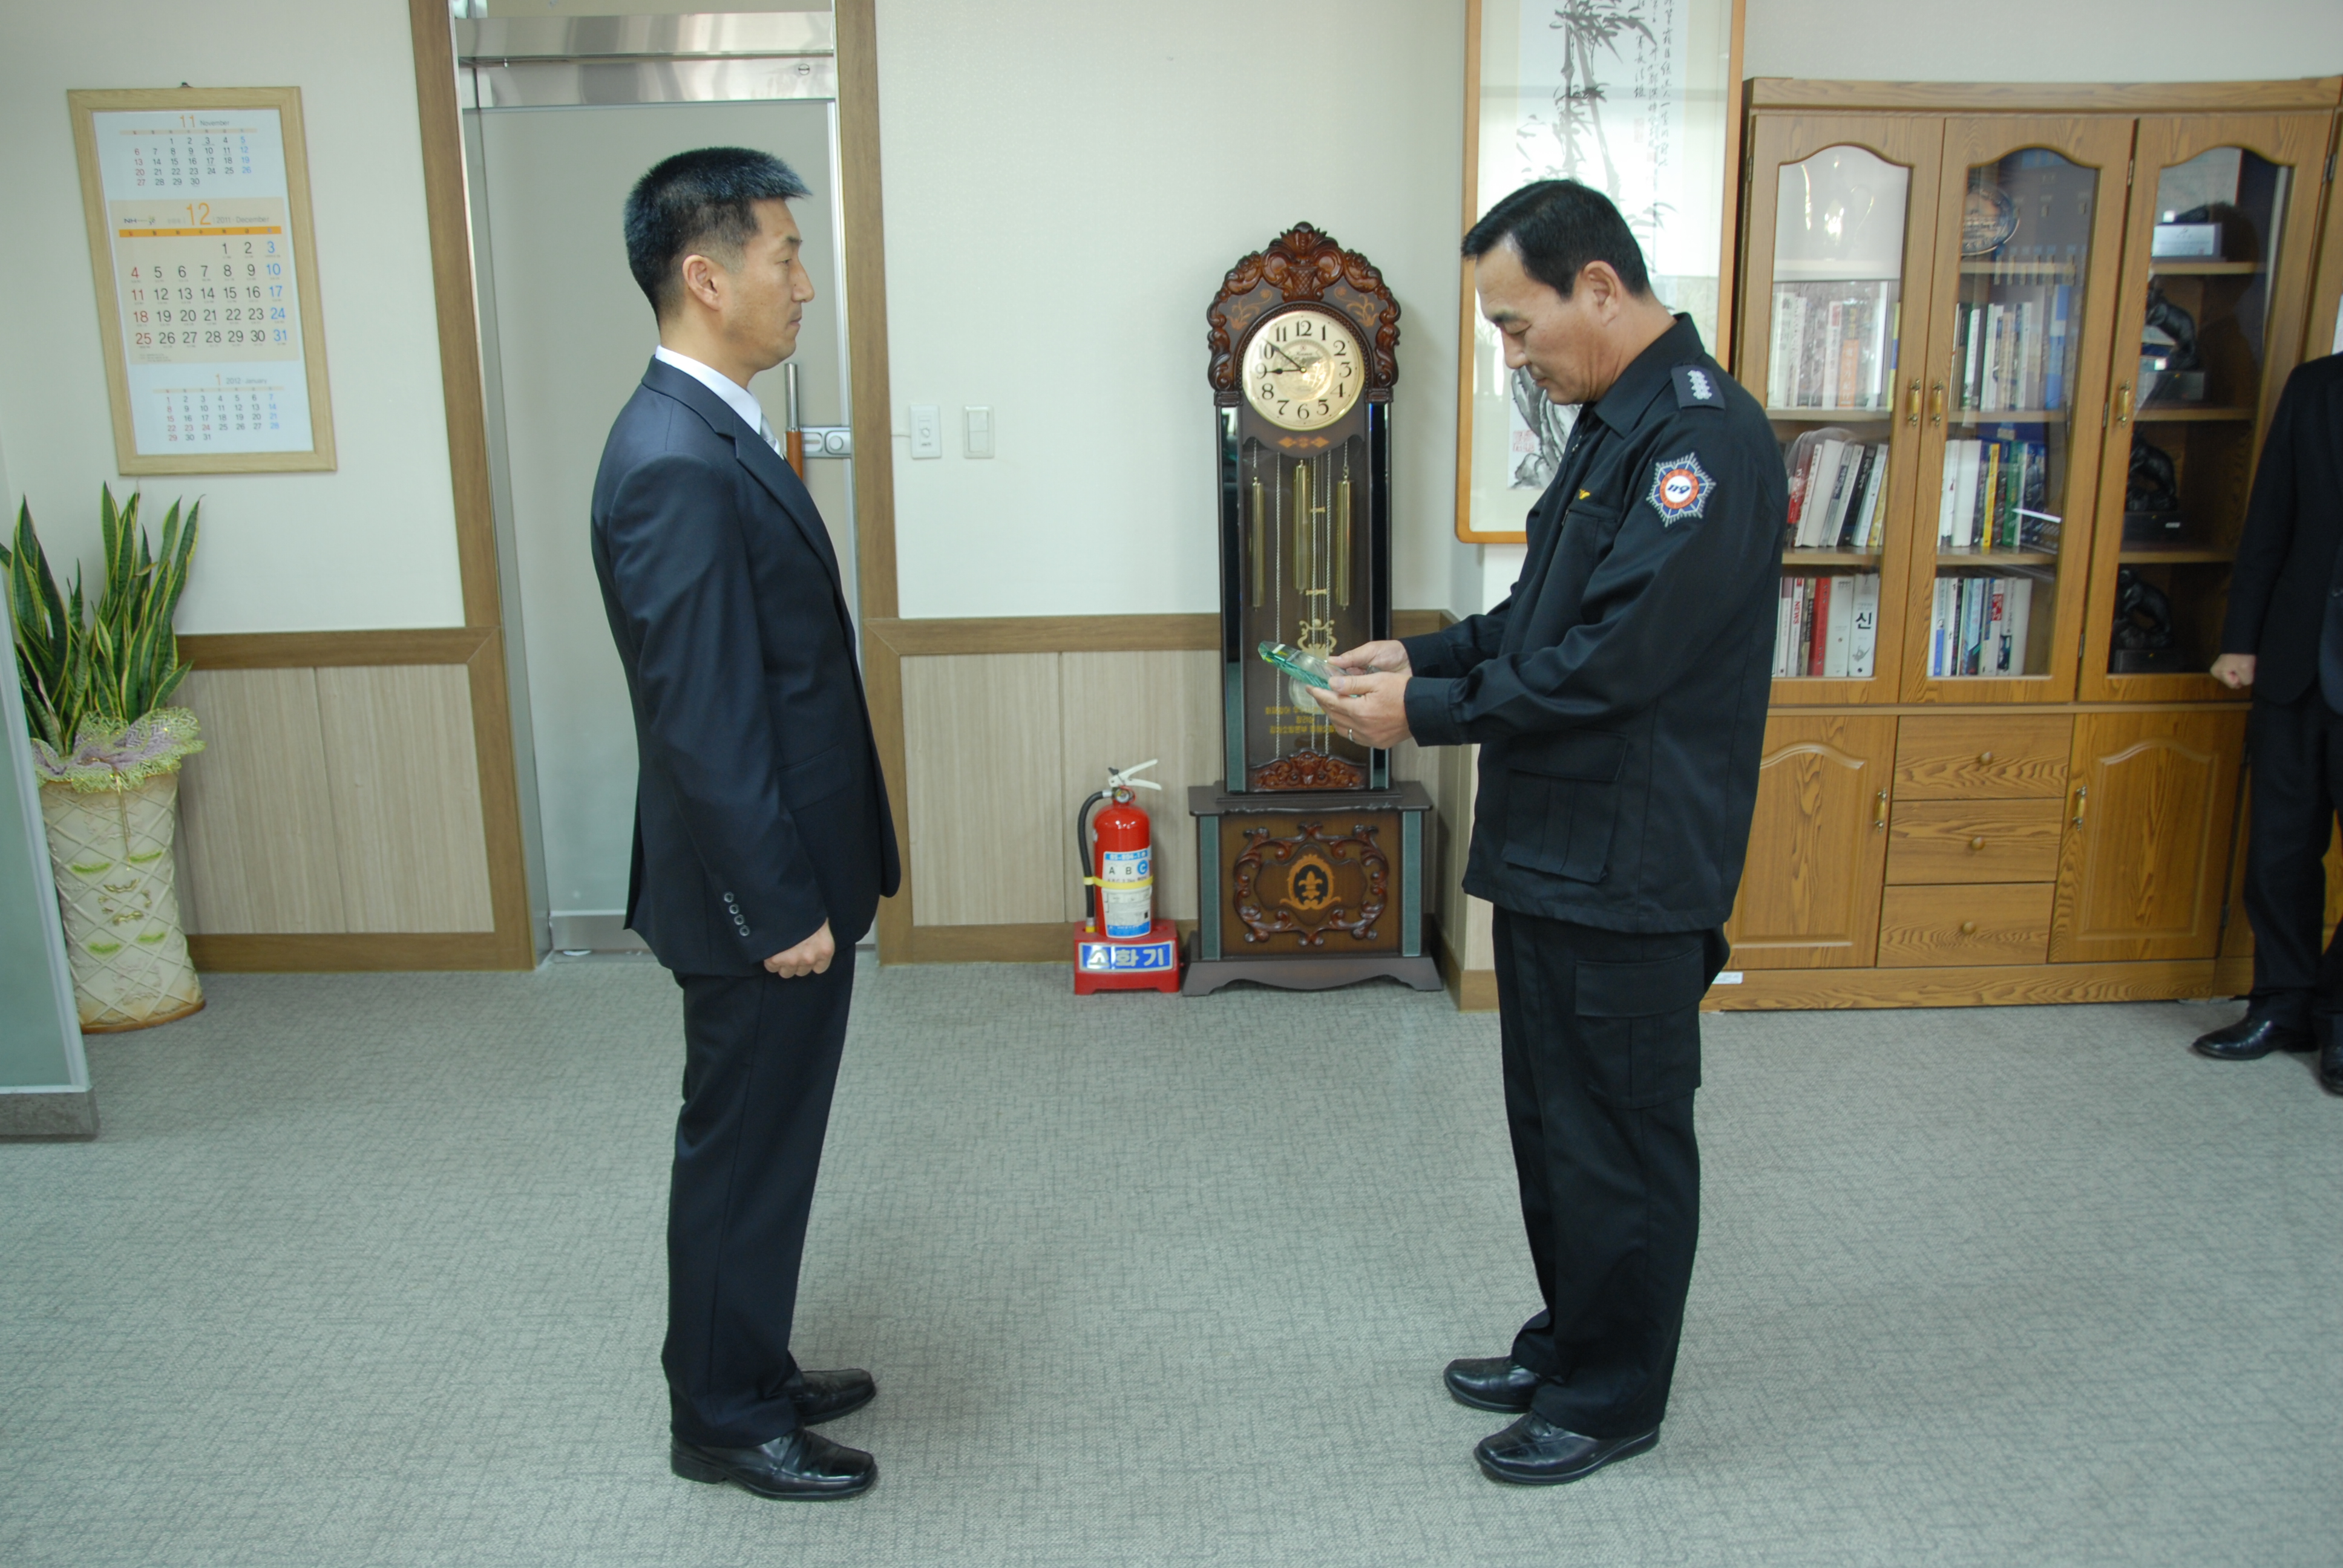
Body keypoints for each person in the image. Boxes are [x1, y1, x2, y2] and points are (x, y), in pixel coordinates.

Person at [1315, 180, 1784, 1486]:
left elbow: (1614, 659)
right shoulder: (1610, 425)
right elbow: (1539, 620)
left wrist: (1429, 712)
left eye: (1516, 326)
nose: (1512, 355)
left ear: (1599, 287)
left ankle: (1612, 1397)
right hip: (1554, 850)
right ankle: (1572, 1340)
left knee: (1620, 1137)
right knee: (1553, 1124)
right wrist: (1421, 655)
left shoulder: (1702, 442)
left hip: (1630, 860)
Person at [592, 147, 900, 1501]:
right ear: (705, 277)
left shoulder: (711, 429)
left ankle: (750, 1360)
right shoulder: (672, 457)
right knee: (740, 1151)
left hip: (783, 869)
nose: (805, 283)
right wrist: (778, 905)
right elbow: (703, 721)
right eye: (785, 255)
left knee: (771, 1145)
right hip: (753, 896)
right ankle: (720, 1416)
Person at [2196, 350, 2343, 1096]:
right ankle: (2279, 1005)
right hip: (2293, 661)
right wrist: (2240, 638)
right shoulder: (2316, 386)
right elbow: (2270, 515)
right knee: (2279, 851)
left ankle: (2336, 1015)